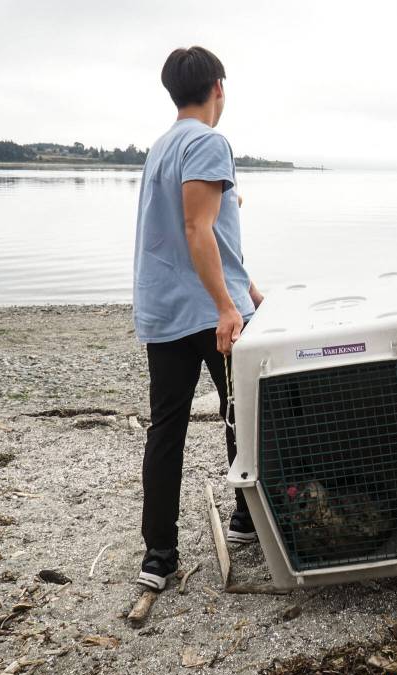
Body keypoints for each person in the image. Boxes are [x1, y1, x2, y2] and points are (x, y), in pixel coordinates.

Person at [132, 46, 264, 590]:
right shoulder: (210, 141)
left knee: (167, 428)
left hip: (163, 309)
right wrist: (230, 307)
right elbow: (197, 229)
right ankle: (246, 520)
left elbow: (209, 235)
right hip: (210, 313)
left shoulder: (161, 147)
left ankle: (158, 555)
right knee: (247, 416)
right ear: (218, 87)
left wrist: (250, 288)